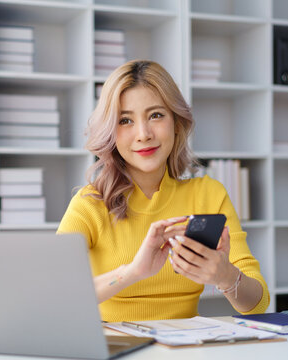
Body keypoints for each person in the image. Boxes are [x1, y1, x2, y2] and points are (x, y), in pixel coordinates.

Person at [57, 60, 269, 322]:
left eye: (156, 115)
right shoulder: (89, 204)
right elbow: (57, 296)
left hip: (185, 347)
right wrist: (133, 272)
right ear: (111, 132)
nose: (143, 134)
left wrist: (226, 276)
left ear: (176, 123)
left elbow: (258, 304)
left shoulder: (208, 194)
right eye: (125, 120)